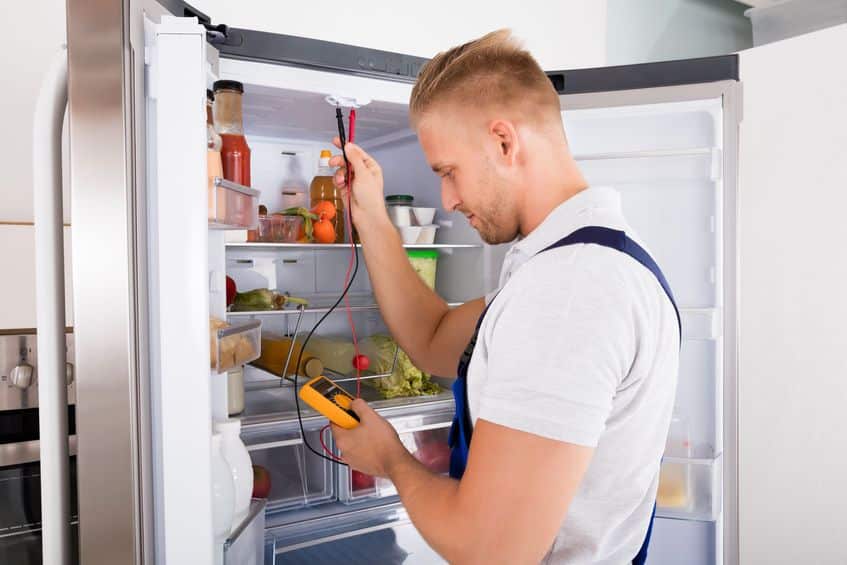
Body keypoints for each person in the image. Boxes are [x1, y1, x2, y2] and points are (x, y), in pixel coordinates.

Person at [328, 29, 680, 565]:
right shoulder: (584, 261)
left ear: (503, 141)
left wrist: (392, 461)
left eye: (449, 172)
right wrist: (371, 215)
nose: (447, 199)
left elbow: (490, 550)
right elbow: (434, 339)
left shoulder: (570, 289)